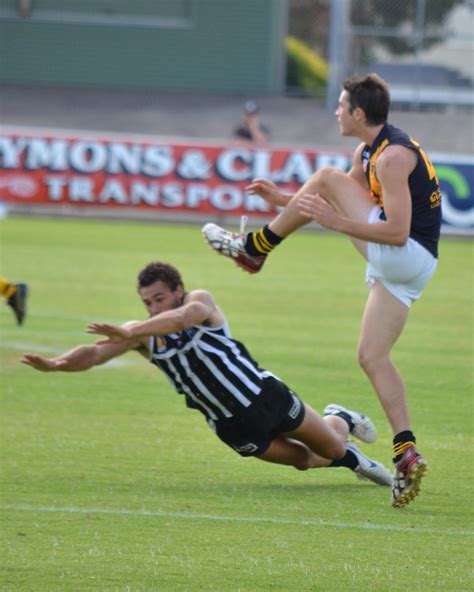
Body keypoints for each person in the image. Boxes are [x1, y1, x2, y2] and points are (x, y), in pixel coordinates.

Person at [203, 73, 442, 508]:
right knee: (372, 356)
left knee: (328, 177)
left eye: (341, 104)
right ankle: (406, 450)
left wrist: (334, 224)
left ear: (358, 113)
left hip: (405, 253)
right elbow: (331, 197)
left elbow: (397, 230)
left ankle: (255, 249)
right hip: (407, 272)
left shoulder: (392, 157)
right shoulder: (369, 150)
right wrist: (283, 202)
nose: (335, 111)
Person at [22, 261, 391, 488]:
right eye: (146, 302)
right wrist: (56, 365)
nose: (152, 308)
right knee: (302, 460)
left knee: (332, 448)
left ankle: (341, 420)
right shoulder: (145, 335)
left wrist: (133, 331)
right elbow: (92, 354)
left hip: (265, 396)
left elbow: (183, 318)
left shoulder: (199, 302)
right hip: (230, 425)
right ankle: (343, 437)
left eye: (158, 299)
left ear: (178, 291)